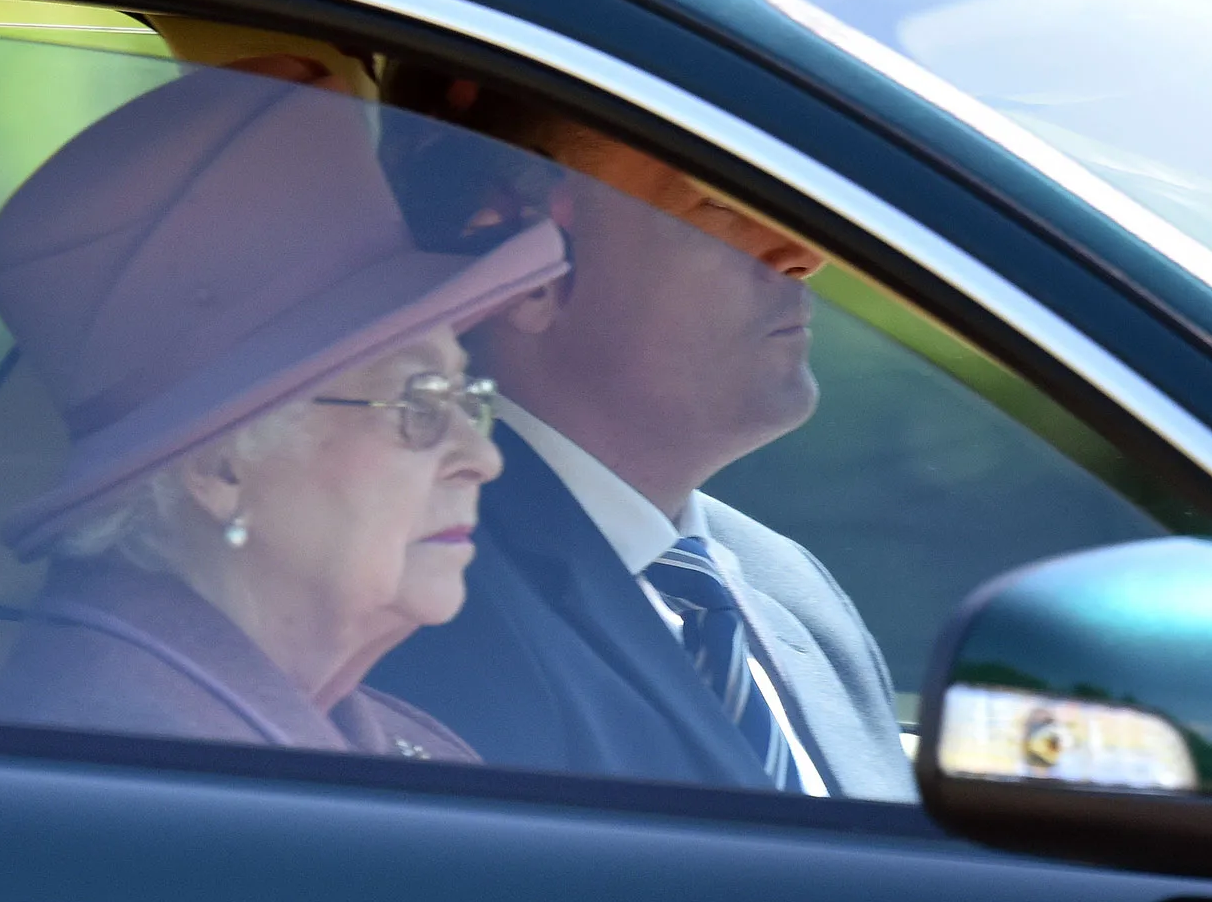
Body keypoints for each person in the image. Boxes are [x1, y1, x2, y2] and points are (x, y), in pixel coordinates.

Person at [0, 61, 568, 759]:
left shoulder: (297, 737)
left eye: (468, 398)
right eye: (421, 403)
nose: (483, 458)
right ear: (221, 466)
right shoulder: (131, 772)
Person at [369, 71, 915, 800]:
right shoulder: (428, 610)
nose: (801, 249)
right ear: (527, 270)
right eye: (723, 200)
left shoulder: (787, 585)